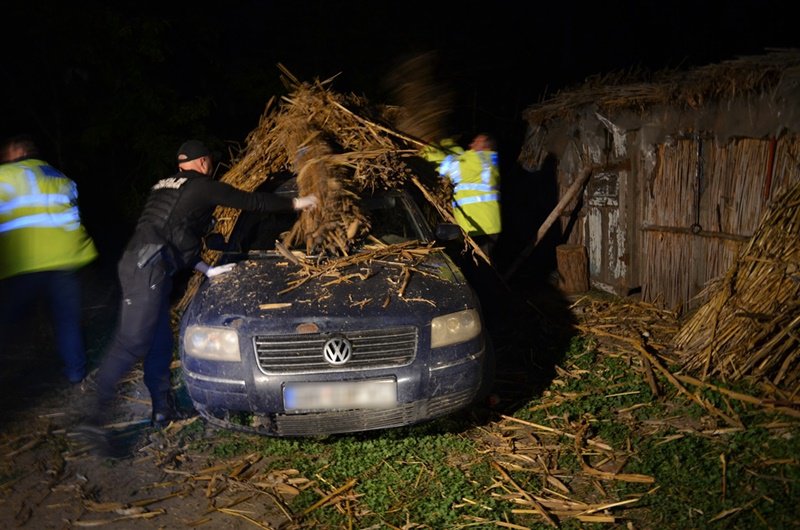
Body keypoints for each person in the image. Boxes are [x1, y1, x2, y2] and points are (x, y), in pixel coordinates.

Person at [81, 139, 318, 435]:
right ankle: (93, 418)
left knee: (160, 342)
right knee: (132, 342)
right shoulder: (201, 186)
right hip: (148, 270)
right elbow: (252, 202)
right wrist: (297, 202)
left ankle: (162, 411)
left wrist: (207, 268)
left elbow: (174, 234)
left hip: (146, 264)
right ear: (203, 162)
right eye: (210, 162)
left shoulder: (165, 186)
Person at [0, 134, 98, 384]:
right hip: (65, 260)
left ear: (19, 151)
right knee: (67, 319)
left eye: (8, 150)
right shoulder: (61, 178)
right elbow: (73, 217)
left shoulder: (5, 176)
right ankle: (76, 372)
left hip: (24, 263)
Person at [420, 133, 501, 260]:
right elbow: (460, 157)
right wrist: (447, 142)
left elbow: (448, 167)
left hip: (479, 226)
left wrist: (427, 150)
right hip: (484, 224)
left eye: (476, 142)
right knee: (482, 262)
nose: (471, 144)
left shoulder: (477, 161)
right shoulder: (484, 160)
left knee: (482, 266)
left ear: (486, 146)